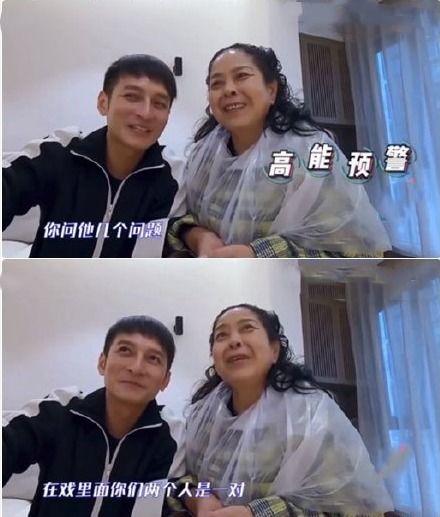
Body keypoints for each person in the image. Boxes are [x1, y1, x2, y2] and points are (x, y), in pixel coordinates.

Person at [167, 43, 391, 258]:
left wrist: (259, 254)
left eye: (241, 76)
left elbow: (360, 250)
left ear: (271, 90)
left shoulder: (311, 154)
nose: (229, 89)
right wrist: (196, 235)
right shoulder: (203, 155)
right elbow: (179, 218)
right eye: (217, 83)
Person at [169, 304, 393, 516]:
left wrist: (257, 513)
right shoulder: (203, 418)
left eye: (247, 328)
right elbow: (178, 479)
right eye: (221, 335)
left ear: (274, 350)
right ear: (214, 357)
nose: (234, 341)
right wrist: (196, 497)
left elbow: (354, 507)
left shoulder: (312, 416)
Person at [3, 54, 182, 257]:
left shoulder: (171, 176)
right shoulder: (61, 152)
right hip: (49, 277)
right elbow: (9, 185)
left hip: (124, 279)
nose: (146, 113)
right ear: (103, 103)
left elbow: (172, 234)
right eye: (132, 97)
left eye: (159, 103)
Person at [3, 315, 184, 516]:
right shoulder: (61, 409)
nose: (136, 368)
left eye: (153, 358)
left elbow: (160, 502)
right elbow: (10, 440)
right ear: (102, 363)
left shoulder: (169, 434)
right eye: (125, 350)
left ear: (165, 380)